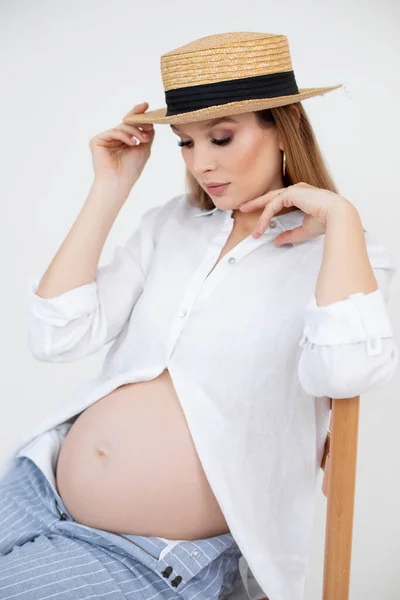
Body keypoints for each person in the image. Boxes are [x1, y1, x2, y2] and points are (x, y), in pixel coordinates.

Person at [0, 31, 397, 600]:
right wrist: (109, 188)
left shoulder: (346, 252)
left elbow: (345, 374)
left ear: (282, 130)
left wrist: (342, 218)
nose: (202, 163)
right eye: (186, 143)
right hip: (36, 484)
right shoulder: (171, 225)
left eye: (221, 137)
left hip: (146, 552)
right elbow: (56, 334)